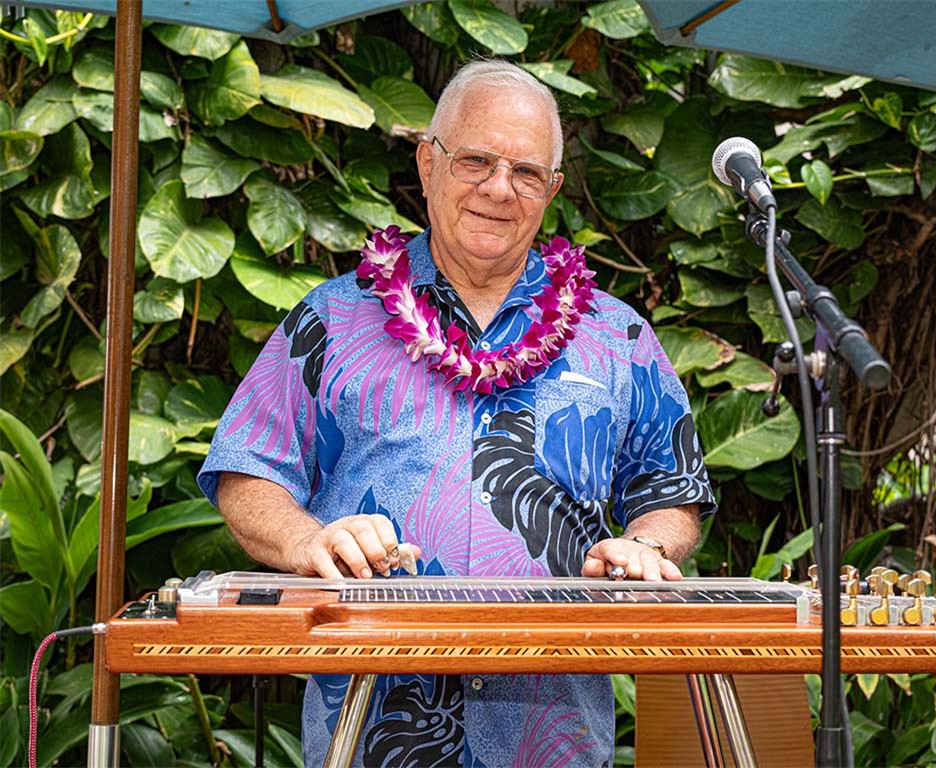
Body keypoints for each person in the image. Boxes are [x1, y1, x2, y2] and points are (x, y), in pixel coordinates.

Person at [199, 59, 716, 768]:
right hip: (368, 729)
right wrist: (305, 541)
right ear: (427, 163)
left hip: (553, 738)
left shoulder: (617, 335)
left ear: (551, 190)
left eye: (526, 172)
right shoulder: (331, 318)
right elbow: (246, 472)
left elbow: (671, 493)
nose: (499, 189)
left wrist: (647, 548)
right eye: (476, 160)